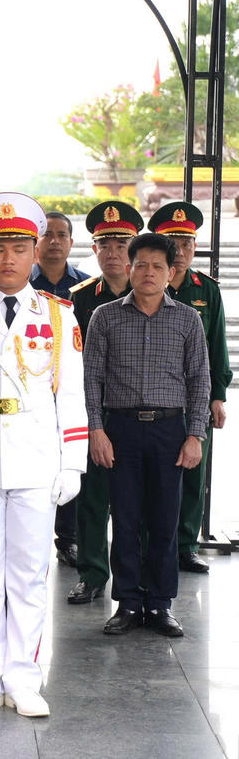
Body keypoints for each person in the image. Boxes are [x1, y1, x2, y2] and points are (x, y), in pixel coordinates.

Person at [0, 192, 86, 719]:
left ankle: (25, 677)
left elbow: (73, 393)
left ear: (36, 253)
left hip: (36, 459)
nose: (8, 259)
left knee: (30, 573)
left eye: (19, 248)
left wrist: (72, 460)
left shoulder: (58, 317)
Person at [86, 231, 208, 639]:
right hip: (119, 429)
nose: (149, 273)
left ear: (171, 272)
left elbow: (200, 382)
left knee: (164, 520)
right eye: (142, 265)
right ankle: (128, 602)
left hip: (170, 430)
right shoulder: (105, 316)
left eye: (159, 266)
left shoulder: (187, 318)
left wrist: (195, 436)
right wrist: (96, 430)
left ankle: (160, 604)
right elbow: (92, 380)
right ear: (129, 267)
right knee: (123, 518)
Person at [65, 201, 141, 606]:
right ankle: (93, 574)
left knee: (136, 503)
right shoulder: (78, 300)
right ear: (93, 250)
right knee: (92, 499)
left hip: (137, 413)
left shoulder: (149, 294)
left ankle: (136, 581)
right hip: (92, 410)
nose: (113, 253)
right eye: (104, 245)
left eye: (121, 244)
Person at [155, 201, 231, 574]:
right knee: (154, 473)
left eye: (187, 243)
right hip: (154, 397)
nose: (181, 252)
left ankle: (185, 545)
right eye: (174, 243)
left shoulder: (206, 290)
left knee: (192, 471)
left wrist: (219, 395)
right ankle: (153, 544)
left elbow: (217, 345)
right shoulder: (148, 285)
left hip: (196, 397)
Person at [28, 211, 89, 569]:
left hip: (65, 392)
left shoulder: (83, 288)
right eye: (46, 234)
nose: (53, 241)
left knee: (69, 467)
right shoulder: (20, 286)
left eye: (61, 234)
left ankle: (68, 539)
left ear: (70, 242)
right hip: (29, 397)